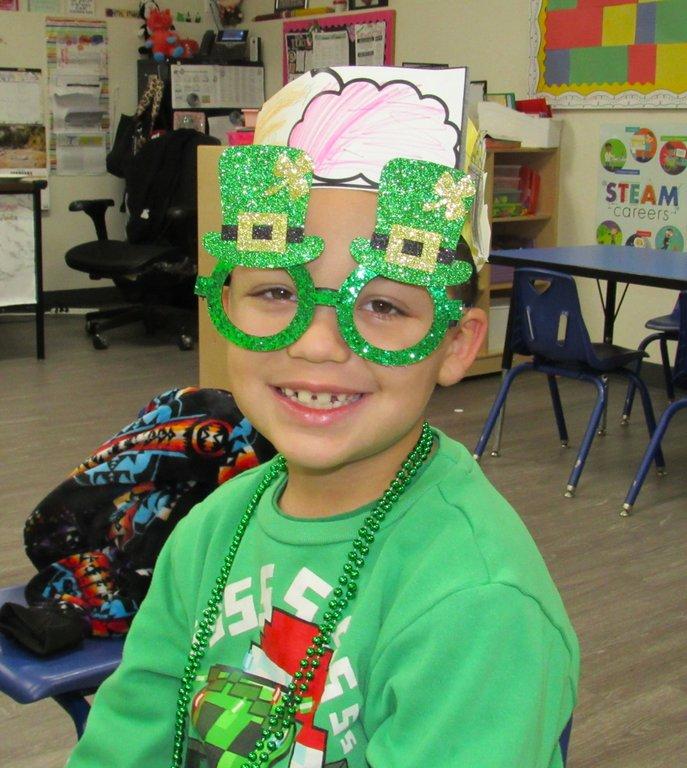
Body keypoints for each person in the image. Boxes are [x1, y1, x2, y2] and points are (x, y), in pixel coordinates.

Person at [67, 66, 579, 768]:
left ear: (456, 344)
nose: (314, 343)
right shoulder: (214, 527)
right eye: (277, 290)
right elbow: (129, 738)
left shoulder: (476, 604)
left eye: (383, 305)